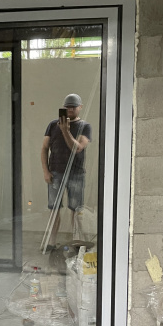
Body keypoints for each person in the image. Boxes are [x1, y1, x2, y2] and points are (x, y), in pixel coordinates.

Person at [41, 93, 92, 251]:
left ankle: (76, 242)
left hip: (76, 174)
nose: (70, 110)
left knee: (75, 210)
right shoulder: (52, 125)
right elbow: (44, 148)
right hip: (55, 172)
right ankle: (51, 242)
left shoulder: (85, 126)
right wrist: (46, 171)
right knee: (53, 209)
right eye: (67, 107)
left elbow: (77, 148)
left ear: (80, 107)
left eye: (73, 107)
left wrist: (65, 130)